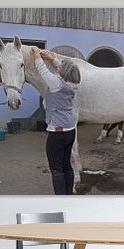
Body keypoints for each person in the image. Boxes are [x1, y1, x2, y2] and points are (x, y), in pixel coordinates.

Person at [32, 47, 81, 195]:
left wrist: (36, 54)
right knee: (67, 165)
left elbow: (42, 70)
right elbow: (64, 69)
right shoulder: (74, 83)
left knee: (56, 170)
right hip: (70, 130)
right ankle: (68, 195)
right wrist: (52, 58)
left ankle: (61, 199)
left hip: (57, 133)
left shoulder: (56, 84)